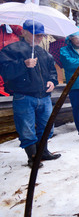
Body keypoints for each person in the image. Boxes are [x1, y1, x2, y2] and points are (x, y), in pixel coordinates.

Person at [0, 20, 61, 167]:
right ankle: (33, 157)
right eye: (36, 35)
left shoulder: (44, 53)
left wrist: (53, 81)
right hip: (23, 96)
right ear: (25, 32)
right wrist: (23, 65)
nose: (39, 38)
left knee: (47, 127)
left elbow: (52, 72)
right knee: (26, 129)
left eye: (41, 35)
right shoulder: (11, 50)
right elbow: (5, 72)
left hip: (44, 97)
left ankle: (43, 152)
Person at [0, 24, 23, 96]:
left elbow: (22, 32)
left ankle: (12, 87)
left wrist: (10, 23)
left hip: (12, 50)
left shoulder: (11, 19)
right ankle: (1, 89)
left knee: (12, 68)